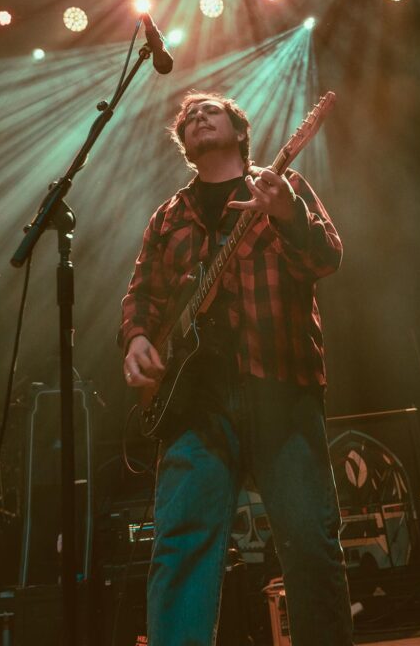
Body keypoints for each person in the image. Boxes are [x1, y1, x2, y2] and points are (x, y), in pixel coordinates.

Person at [118, 91, 354, 646]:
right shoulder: (169, 216)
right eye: (190, 117)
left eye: (212, 111)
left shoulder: (280, 187)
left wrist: (287, 214)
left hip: (280, 382)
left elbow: (326, 258)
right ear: (184, 143)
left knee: (309, 541)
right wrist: (137, 340)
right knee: (180, 546)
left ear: (240, 132)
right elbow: (143, 294)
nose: (199, 116)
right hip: (193, 402)